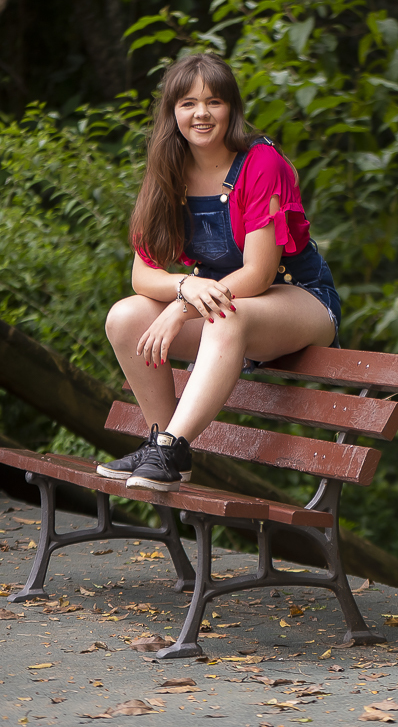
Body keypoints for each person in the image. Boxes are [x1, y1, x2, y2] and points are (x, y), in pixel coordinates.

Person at [96, 53, 340, 492]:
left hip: (297, 298)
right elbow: (143, 275)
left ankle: (172, 447)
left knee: (230, 316)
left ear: (232, 109)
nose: (202, 113)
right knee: (127, 316)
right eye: (188, 103)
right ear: (173, 113)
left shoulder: (261, 163)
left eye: (214, 101)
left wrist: (180, 308)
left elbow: (259, 275)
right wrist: (185, 286)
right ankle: (161, 443)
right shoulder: (167, 171)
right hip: (219, 308)